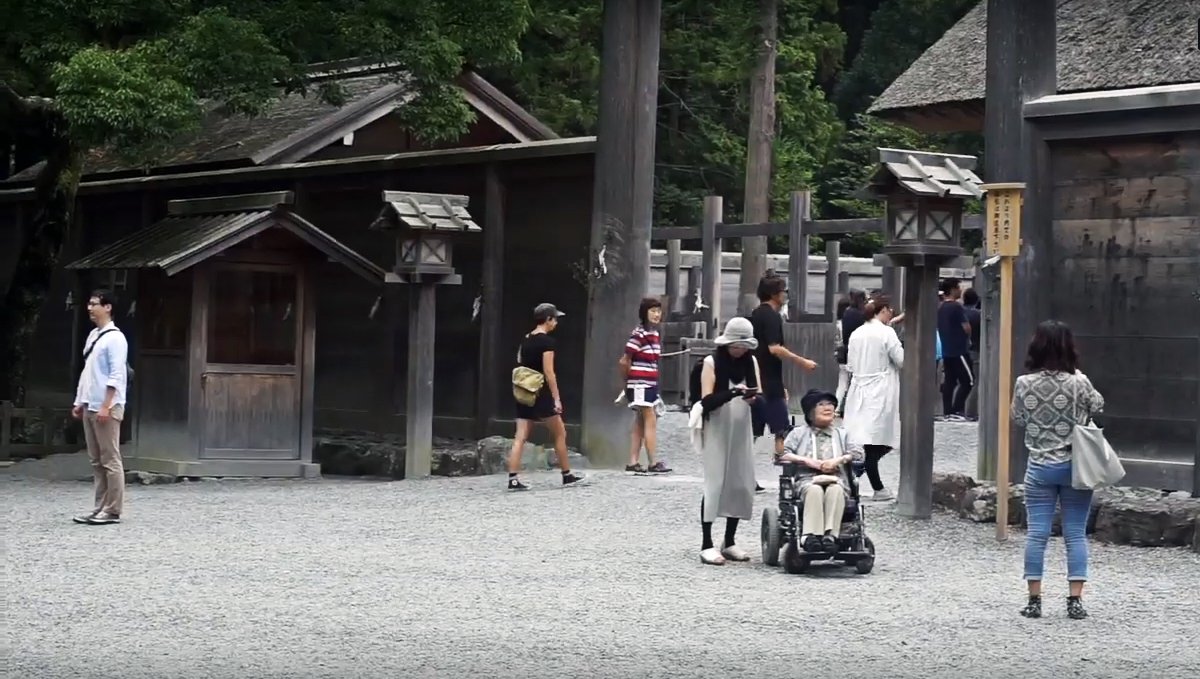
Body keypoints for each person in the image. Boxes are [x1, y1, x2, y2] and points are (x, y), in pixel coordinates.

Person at [1011, 320, 1104, 621]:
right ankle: (1075, 601)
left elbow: (1018, 417)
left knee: (1037, 533)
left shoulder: (1024, 383)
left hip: (1040, 465)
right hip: (1076, 466)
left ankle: (1034, 600)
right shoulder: (1079, 382)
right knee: (1075, 533)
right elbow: (1098, 405)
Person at [696, 317, 761, 566]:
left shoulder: (750, 361)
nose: (740, 350)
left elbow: (757, 391)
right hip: (717, 425)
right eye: (736, 345)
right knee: (715, 482)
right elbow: (707, 401)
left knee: (740, 481)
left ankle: (730, 540)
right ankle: (706, 543)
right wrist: (733, 392)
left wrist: (752, 397)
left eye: (744, 346)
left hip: (741, 425)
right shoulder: (711, 362)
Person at [506, 303, 585, 490]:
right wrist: (556, 398)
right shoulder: (547, 342)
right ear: (548, 319)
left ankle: (513, 478)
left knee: (520, 436)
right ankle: (566, 474)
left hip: (525, 391)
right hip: (541, 392)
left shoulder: (526, 339)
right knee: (560, 433)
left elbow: (520, 361)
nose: (556, 322)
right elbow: (549, 373)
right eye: (554, 319)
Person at [777, 390, 864, 552]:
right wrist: (808, 461)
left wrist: (838, 460)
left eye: (830, 404)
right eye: (821, 404)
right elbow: (781, 454)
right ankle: (810, 536)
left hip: (837, 479)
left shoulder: (842, 434)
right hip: (807, 480)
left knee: (835, 490)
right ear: (810, 412)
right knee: (814, 490)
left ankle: (830, 536)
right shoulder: (798, 433)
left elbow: (858, 453)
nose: (827, 407)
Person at [71, 289, 129, 525]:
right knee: (96, 460)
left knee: (110, 459)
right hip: (90, 403)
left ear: (107, 307)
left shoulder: (115, 338)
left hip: (107, 406)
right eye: (89, 303)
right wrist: (79, 401)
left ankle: (113, 509)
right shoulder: (94, 335)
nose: (90, 308)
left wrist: (107, 405)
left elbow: (116, 374)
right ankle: (99, 506)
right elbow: (88, 372)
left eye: (94, 304)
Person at [749, 274, 818, 460]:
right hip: (769, 382)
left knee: (753, 431)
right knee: (781, 429)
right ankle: (785, 464)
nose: (786, 294)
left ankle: (740, 465)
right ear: (774, 294)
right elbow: (774, 348)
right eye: (783, 291)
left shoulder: (756, 313)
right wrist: (802, 361)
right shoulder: (772, 316)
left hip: (757, 377)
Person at [842, 295, 903, 501]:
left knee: (867, 438)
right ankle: (870, 483)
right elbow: (901, 360)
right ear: (883, 310)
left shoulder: (857, 333)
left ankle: (855, 477)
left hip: (859, 388)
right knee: (879, 441)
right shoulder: (887, 333)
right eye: (890, 310)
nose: (892, 313)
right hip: (881, 389)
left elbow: (850, 365)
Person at [620, 297, 671, 474]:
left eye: (658, 311)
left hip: (650, 383)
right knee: (650, 419)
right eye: (653, 311)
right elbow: (625, 360)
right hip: (640, 384)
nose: (657, 314)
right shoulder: (638, 334)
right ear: (644, 313)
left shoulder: (654, 334)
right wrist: (627, 383)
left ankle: (633, 461)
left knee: (640, 422)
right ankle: (653, 462)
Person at [937, 278, 973, 421]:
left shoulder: (940, 308)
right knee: (968, 380)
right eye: (958, 287)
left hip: (946, 351)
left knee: (950, 382)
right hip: (959, 350)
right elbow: (966, 327)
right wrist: (968, 338)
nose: (960, 290)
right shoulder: (956, 307)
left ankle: (947, 412)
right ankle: (957, 410)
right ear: (952, 289)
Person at [836, 289, 867, 414]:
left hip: (845, 350)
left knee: (843, 381)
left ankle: (837, 407)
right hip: (857, 351)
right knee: (855, 381)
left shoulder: (847, 313)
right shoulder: (860, 315)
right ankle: (850, 407)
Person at [962, 288, 982, 419]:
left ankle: (963, 409)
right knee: (976, 382)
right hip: (976, 350)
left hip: (963, 350)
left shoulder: (961, 312)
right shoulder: (977, 315)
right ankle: (971, 411)